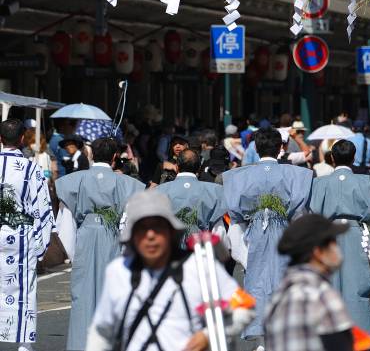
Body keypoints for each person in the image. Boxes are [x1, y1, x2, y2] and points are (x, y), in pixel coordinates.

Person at [86, 190, 251, 351]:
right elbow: (101, 331)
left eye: (157, 227)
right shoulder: (118, 271)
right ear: (132, 235)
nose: (150, 235)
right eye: (142, 228)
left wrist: (209, 335)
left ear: (170, 231)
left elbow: (244, 305)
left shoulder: (198, 266)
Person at [222, 127, 313, 342]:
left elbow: (235, 216)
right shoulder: (297, 174)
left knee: (255, 280)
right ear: (281, 147)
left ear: (255, 146)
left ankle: (261, 336)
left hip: (253, 232)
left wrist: (242, 252)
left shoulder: (239, 176)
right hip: (284, 231)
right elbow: (300, 212)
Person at [56, 137, 144, 350]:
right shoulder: (128, 184)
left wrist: (75, 255)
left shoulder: (74, 181)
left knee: (83, 300)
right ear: (115, 157)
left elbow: (65, 226)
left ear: (90, 154)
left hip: (85, 237)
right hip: (115, 237)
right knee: (114, 296)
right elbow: (133, 222)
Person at [309, 140, 370, 335]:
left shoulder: (319, 183)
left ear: (332, 158)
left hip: (326, 236)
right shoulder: (365, 181)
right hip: (355, 234)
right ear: (354, 157)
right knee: (356, 289)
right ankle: (358, 339)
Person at [264, 214, 356, 351]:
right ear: (318, 252)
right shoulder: (322, 295)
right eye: (333, 242)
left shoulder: (278, 297)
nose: (337, 247)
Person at [0, 120, 52, 350]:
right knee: (24, 290)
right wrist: (40, 247)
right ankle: (23, 345)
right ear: (22, 138)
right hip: (21, 237)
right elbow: (43, 209)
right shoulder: (32, 169)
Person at [155, 149, 227, 240]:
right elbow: (219, 232)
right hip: (201, 249)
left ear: (177, 167)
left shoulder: (159, 191)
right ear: (199, 168)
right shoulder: (215, 191)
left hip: (169, 249)